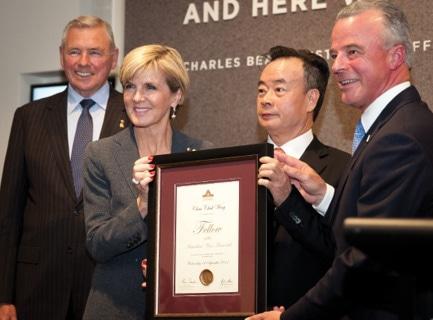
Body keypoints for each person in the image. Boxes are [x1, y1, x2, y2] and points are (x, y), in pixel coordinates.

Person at [247, 0, 433, 319]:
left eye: (353, 52)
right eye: (334, 55)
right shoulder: (389, 128)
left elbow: (367, 259)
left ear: (396, 56)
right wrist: (325, 197)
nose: (337, 66)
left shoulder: (400, 137)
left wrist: (288, 317)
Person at [0, 16, 128, 320]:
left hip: (108, 286)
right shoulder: (28, 117)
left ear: (114, 58)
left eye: (95, 52)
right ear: (61, 56)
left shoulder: (135, 116)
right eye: (74, 52)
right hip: (36, 289)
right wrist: (3, 295)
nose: (83, 62)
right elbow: (8, 212)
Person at [82, 44, 212, 319]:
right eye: (130, 87)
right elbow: (97, 244)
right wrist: (142, 205)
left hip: (182, 306)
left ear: (176, 96)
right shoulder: (101, 154)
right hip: (115, 306)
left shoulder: (200, 154)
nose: (136, 98)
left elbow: (209, 238)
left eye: (150, 87)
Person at [256, 46, 350, 308]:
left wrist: (287, 200)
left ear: (311, 99)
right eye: (261, 90)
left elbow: (340, 253)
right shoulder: (237, 167)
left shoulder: (344, 168)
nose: (265, 99)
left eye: (279, 89)